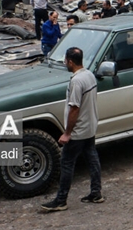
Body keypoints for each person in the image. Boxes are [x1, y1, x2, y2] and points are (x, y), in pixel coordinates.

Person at [41, 47, 102, 211]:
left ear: (70, 61)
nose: (64, 63)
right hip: (89, 127)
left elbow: (74, 108)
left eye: (65, 61)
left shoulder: (76, 81)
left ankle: (61, 200)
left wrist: (67, 133)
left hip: (78, 131)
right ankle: (96, 193)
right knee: (92, 159)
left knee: (67, 163)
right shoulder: (89, 75)